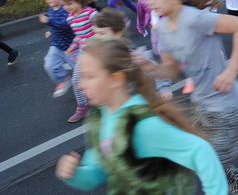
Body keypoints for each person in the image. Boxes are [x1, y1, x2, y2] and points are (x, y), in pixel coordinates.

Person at [140, 0, 238, 193]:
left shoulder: (193, 19)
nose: (150, 1)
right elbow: (171, 69)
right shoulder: (161, 28)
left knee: (210, 160)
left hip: (224, 101)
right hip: (201, 103)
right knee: (205, 158)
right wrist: (149, 68)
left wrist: (231, 72)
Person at [55, 38, 228, 195]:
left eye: (89, 77)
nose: (79, 85)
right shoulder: (101, 117)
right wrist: (75, 174)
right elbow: (97, 174)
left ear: (116, 79)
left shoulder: (140, 124)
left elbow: (200, 150)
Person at [61, 0, 98, 123]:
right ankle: (83, 107)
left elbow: (101, 30)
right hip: (84, 54)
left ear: (79, 0)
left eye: (70, 3)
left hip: (98, 51)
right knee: (76, 80)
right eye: (65, 5)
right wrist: (72, 46)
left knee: (103, 78)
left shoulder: (91, 13)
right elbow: (79, 36)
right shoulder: (70, 18)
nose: (67, 7)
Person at [40, 0, 75, 97]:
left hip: (71, 46)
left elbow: (65, 25)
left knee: (82, 72)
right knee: (49, 65)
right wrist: (51, 31)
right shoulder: (51, 9)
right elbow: (56, 24)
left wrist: (49, 22)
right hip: (56, 45)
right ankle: (64, 79)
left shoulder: (66, 9)